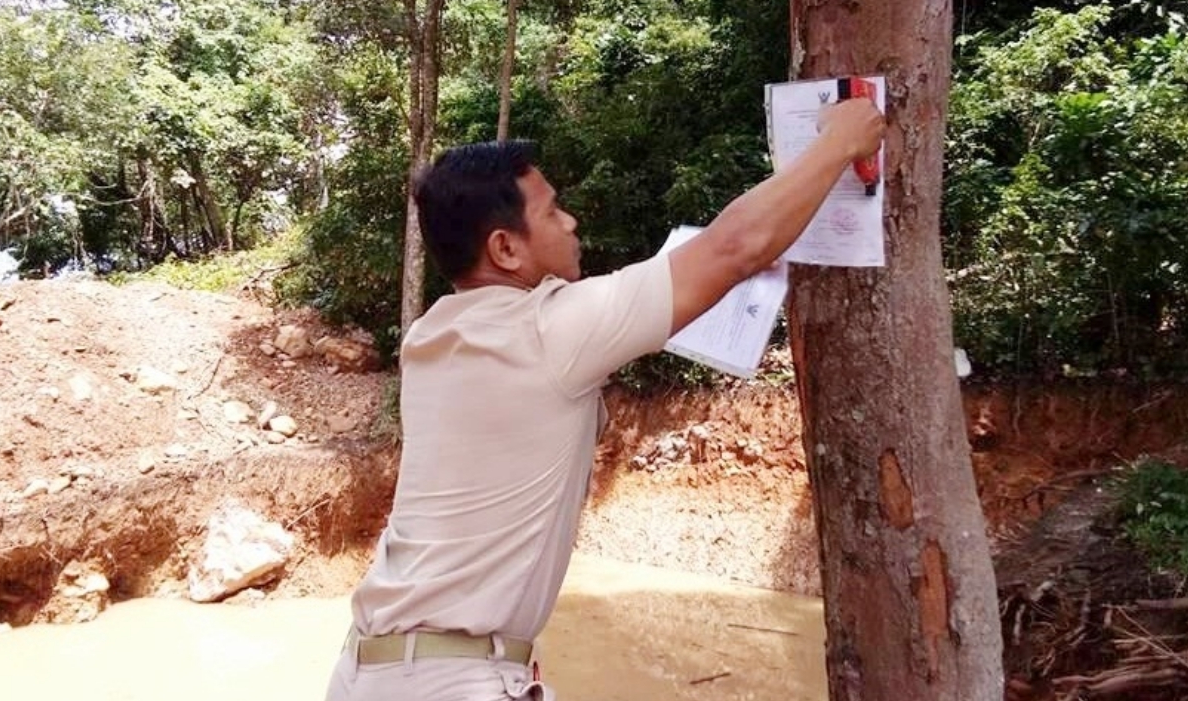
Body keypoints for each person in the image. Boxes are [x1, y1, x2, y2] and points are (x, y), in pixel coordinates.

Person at [324, 97, 885, 701]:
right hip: (453, 682)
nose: (570, 223)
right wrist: (840, 142)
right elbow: (733, 247)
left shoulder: (435, 336)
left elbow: (716, 262)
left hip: (368, 670)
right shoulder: (545, 329)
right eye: (552, 211)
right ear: (505, 250)